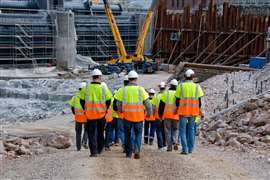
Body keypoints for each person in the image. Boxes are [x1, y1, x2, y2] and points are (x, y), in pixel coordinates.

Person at [114, 70, 152, 159]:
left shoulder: (122, 90)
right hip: (139, 117)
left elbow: (118, 103)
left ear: (129, 79)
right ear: (136, 79)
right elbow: (148, 105)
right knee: (138, 134)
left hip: (127, 117)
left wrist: (120, 111)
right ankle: (137, 150)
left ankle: (128, 153)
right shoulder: (141, 90)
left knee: (127, 135)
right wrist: (149, 114)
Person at [82, 69, 112, 157]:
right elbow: (109, 100)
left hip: (90, 115)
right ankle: (99, 149)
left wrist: (85, 109)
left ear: (92, 77)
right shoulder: (103, 88)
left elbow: (81, 100)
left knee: (91, 134)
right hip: (101, 115)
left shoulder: (86, 88)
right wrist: (105, 110)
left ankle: (93, 152)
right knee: (100, 132)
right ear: (99, 77)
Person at [175, 69, 204, 155]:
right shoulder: (197, 87)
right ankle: (190, 149)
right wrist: (199, 111)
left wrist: (177, 109)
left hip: (183, 112)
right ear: (193, 77)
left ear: (185, 76)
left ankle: (185, 149)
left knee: (182, 130)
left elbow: (177, 101)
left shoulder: (180, 86)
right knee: (191, 130)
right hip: (193, 112)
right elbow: (199, 102)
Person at [158, 79, 179, 152]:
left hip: (167, 116)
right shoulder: (178, 93)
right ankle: (175, 141)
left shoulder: (165, 93)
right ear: (177, 86)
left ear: (170, 85)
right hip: (176, 116)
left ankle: (169, 147)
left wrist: (160, 116)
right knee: (175, 129)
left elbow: (161, 106)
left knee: (167, 131)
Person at [69, 82, 88, 151]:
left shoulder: (75, 97)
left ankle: (78, 147)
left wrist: (75, 113)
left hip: (78, 118)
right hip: (86, 117)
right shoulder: (87, 97)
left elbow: (72, 107)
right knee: (87, 130)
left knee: (78, 132)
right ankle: (84, 142)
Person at [153, 82, 166, 151]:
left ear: (159, 88)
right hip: (165, 116)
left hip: (157, 117)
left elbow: (154, 107)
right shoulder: (167, 95)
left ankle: (160, 146)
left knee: (159, 131)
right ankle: (164, 145)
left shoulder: (156, 96)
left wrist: (152, 114)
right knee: (164, 131)